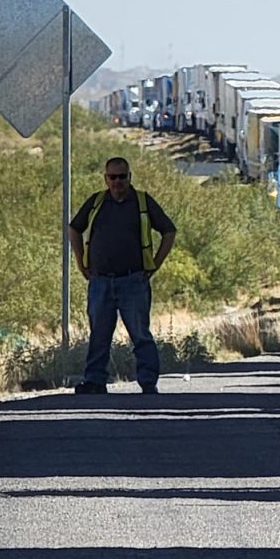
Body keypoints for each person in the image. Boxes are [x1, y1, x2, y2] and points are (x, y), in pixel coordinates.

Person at [67, 157, 177, 395]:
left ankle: (148, 382)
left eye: (122, 176)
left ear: (130, 177)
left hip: (133, 281)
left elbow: (169, 230)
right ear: (106, 179)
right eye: (113, 177)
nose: (118, 182)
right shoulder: (96, 202)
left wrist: (155, 264)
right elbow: (74, 228)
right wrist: (80, 262)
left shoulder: (142, 202)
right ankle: (95, 381)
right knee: (99, 334)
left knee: (140, 334)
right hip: (101, 281)